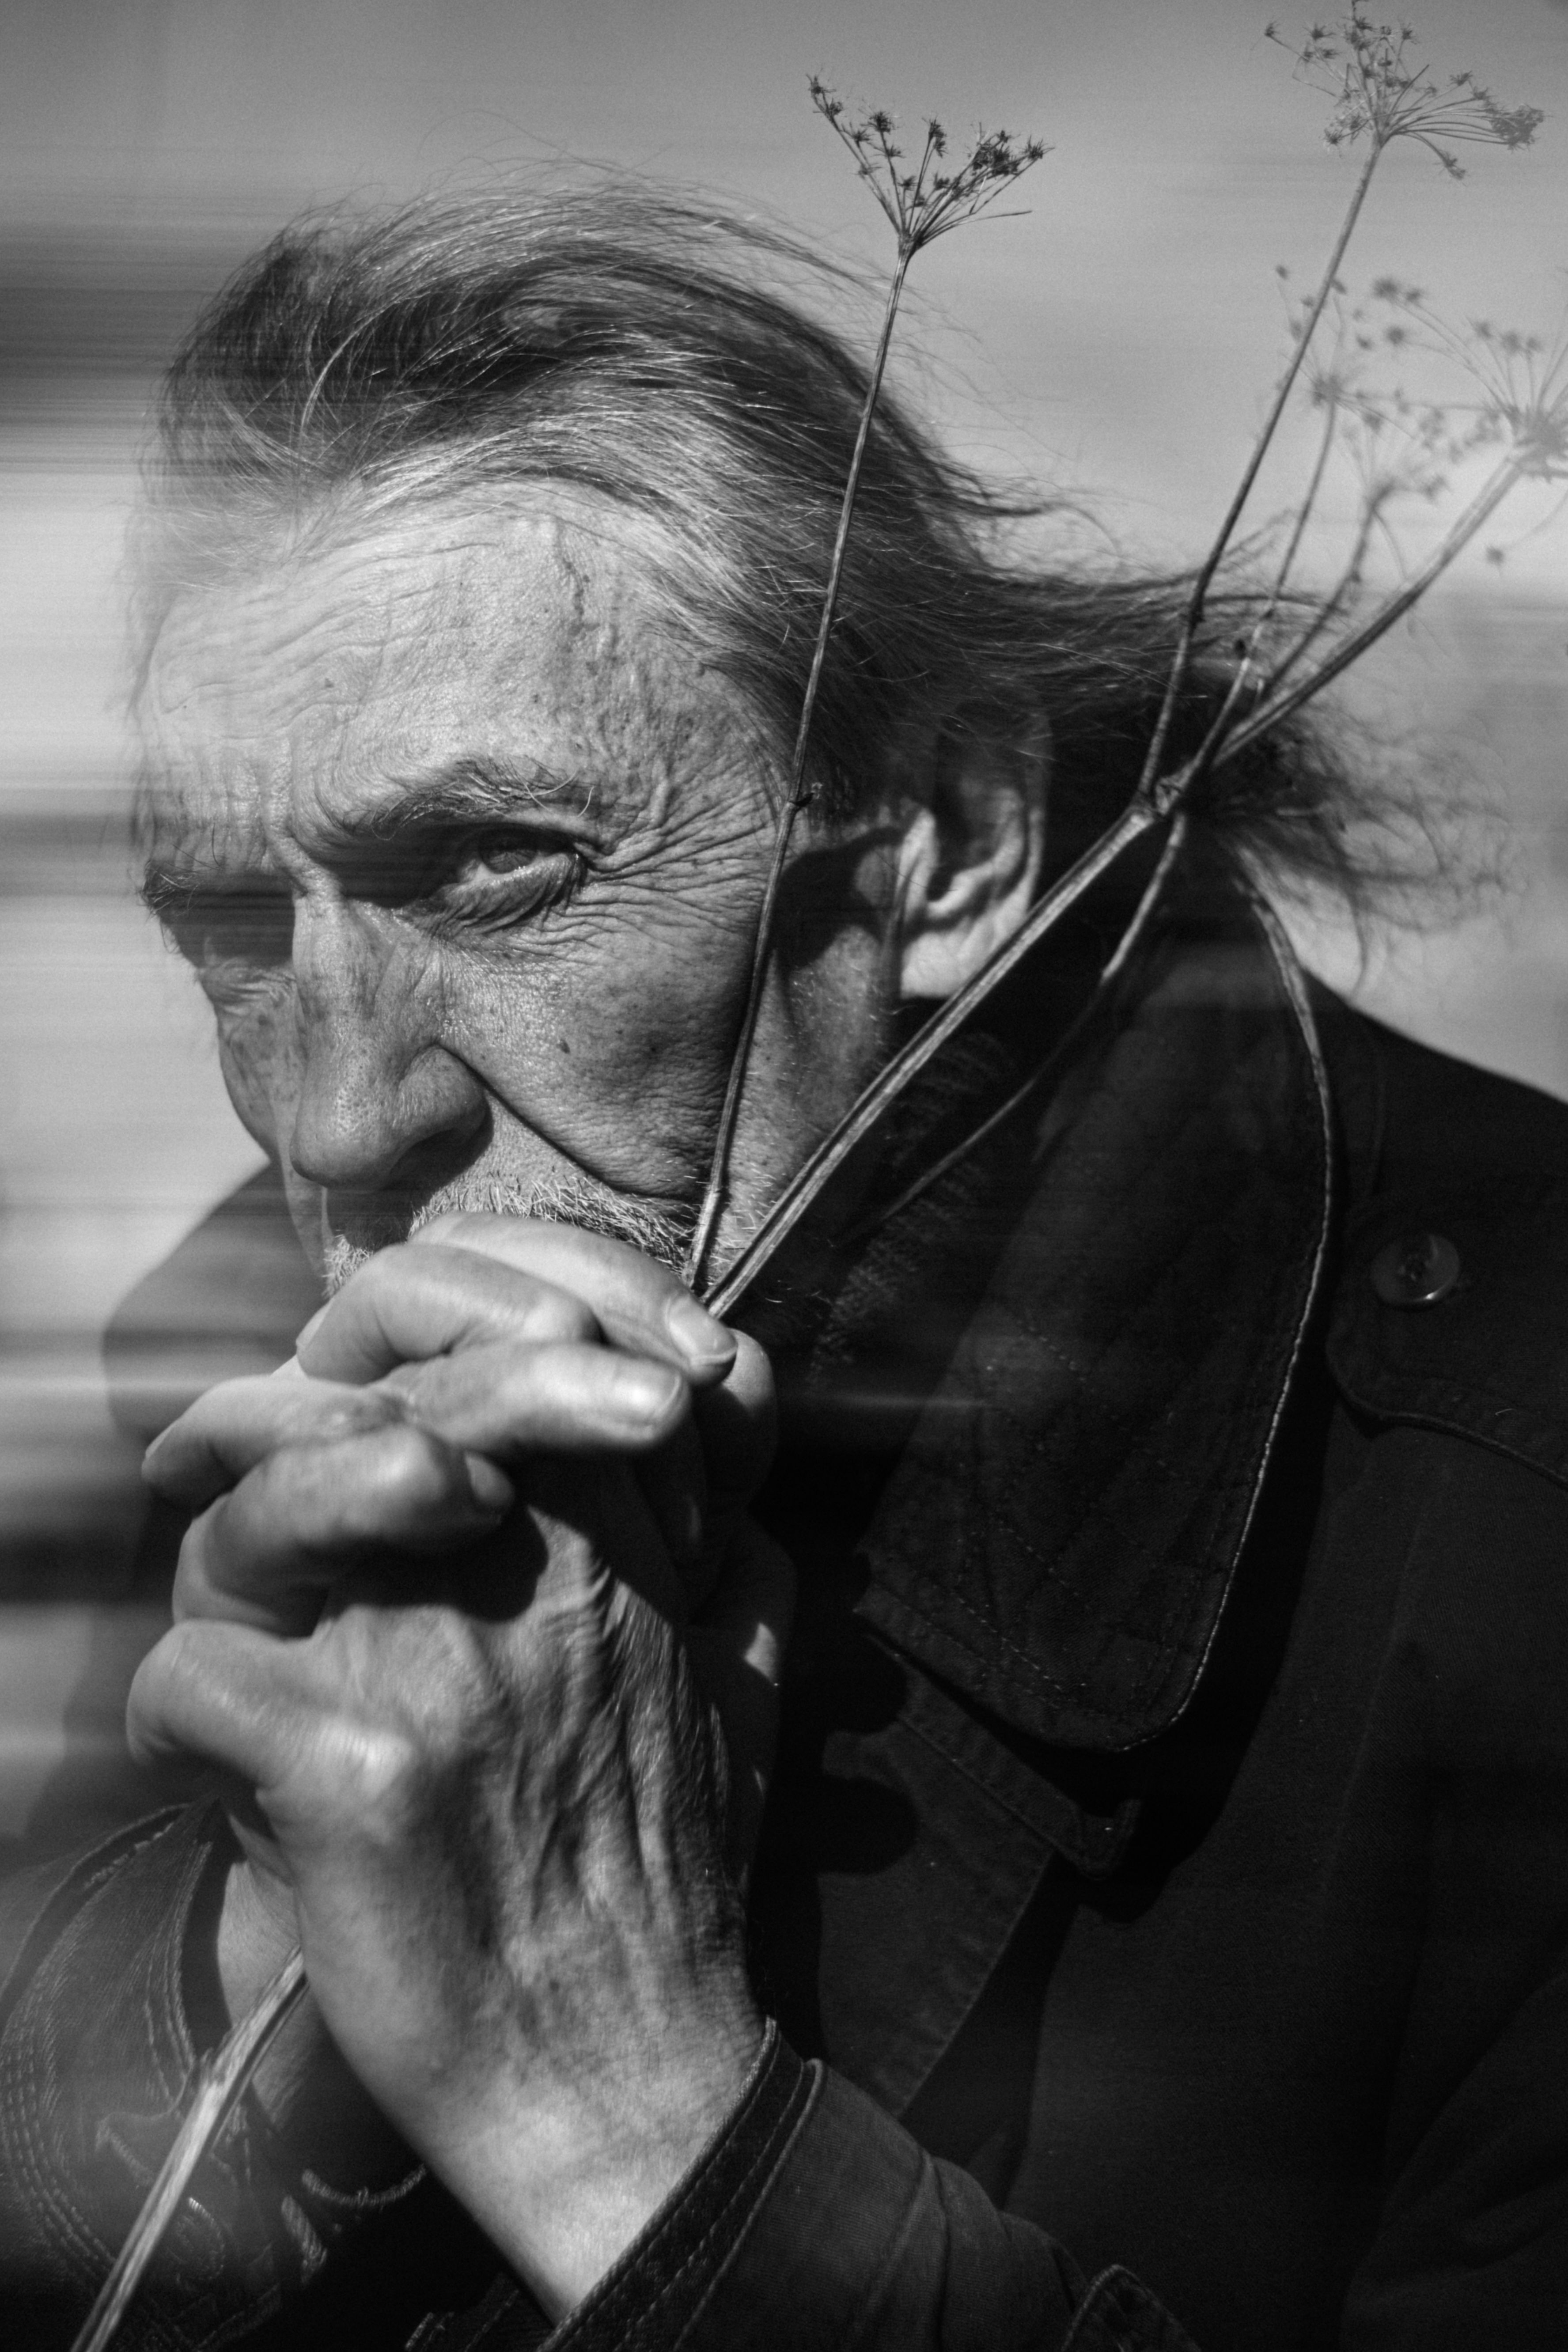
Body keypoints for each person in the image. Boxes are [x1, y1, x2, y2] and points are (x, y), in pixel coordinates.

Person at [4, 188, 1568, 2352]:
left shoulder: (1508, 1514)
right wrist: (256, 1974)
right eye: (232, 929)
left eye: (496, 865)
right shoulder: (233, 1358)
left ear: (951, 836)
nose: (335, 1123)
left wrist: (624, 2108)